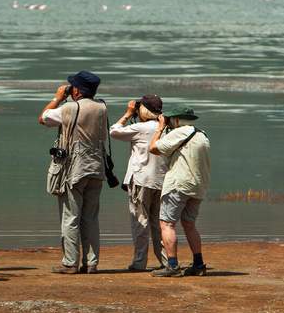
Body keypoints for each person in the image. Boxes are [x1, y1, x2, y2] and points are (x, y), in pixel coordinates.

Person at [39, 70, 107, 274]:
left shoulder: (69, 107)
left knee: (70, 217)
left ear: (76, 90)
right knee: (91, 217)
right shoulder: (102, 107)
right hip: (96, 167)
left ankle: (70, 262)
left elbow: (42, 118)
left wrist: (58, 97)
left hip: (74, 169)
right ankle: (91, 263)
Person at [149, 106, 210, 277]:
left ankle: (173, 266)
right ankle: (198, 265)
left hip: (179, 184)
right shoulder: (202, 135)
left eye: (169, 119)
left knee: (167, 224)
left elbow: (153, 148)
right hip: (198, 185)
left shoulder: (179, 132)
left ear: (176, 120)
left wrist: (160, 128)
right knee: (189, 225)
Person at [110, 95, 169, 272]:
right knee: (160, 224)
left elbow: (114, 131)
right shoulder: (167, 128)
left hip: (141, 180)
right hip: (162, 180)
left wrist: (128, 113)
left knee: (140, 222)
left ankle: (140, 261)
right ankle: (166, 260)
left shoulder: (141, 128)